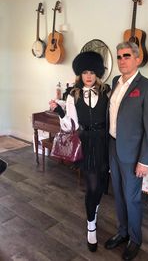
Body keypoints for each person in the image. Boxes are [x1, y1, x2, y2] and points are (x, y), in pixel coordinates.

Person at [49, 51, 110, 253]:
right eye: (85, 72)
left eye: (92, 72)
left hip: (104, 142)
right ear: (80, 74)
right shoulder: (73, 95)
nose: (89, 76)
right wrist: (59, 111)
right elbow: (69, 125)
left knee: (101, 183)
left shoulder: (106, 92)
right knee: (91, 185)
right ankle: (91, 226)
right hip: (86, 142)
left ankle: (95, 208)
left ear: (98, 73)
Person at [104, 41, 148, 260]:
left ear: (137, 58)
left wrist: (144, 160)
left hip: (133, 154)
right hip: (112, 147)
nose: (122, 60)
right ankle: (122, 232)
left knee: (132, 198)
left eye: (126, 56)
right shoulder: (116, 82)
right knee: (118, 194)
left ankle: (135, 239)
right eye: (119, 57)